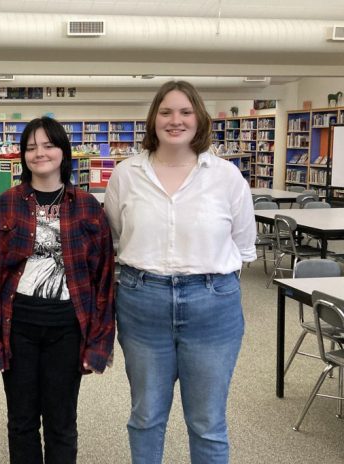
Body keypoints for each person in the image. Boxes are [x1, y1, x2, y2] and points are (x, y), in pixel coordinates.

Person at [104, 80, 256, 464]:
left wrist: (208, 282)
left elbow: (242, 246)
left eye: (185, 112)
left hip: (212, 306)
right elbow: (115, 237)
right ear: (153, 118)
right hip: (142, 303)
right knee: (146, 416)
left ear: (199, 118)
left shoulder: (226, 176)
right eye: (166, 112)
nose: (176, 120)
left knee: (207, 421)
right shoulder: (126, 174)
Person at [0, 116, 115, 464]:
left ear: (63, 152)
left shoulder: (87, 207)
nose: (40, 153)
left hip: (68, 329)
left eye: (49, 145)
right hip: (17, 328)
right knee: (21, 422)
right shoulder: (5, 205)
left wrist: (99, 344)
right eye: (31, 147)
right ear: (22, 155)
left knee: (62, 422)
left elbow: (103, 281)